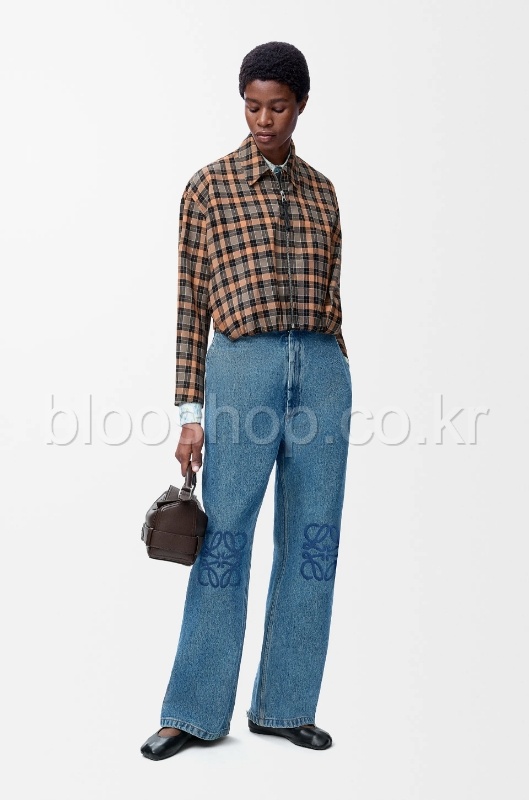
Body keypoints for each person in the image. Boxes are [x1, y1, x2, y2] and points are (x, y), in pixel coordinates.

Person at [141, 40, 352, 760]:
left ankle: (285, 706)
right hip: (241, 367)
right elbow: (189, 305)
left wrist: (334, 368)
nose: (264, 120)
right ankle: (193, 712)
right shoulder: (208, 188)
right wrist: (189, 413)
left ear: (300, 106)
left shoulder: (322, 191)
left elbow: (333, 294)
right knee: (224, 539)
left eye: (278, 107)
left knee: (313, 541)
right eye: (253, 106)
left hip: (320, 370)